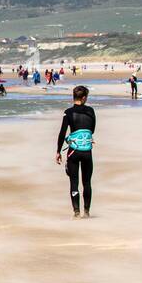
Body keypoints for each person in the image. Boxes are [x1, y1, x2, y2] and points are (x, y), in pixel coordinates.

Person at [56, 85, 96, 218]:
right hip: (86, 151)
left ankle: (76, 212)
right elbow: (92, 130)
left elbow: (62, 133)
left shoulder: (68, 113)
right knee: (87, 182)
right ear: (84, 98)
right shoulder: (91, 111)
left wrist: (58, 152)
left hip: (73, 151)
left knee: (74, 182)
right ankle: (87, 212)